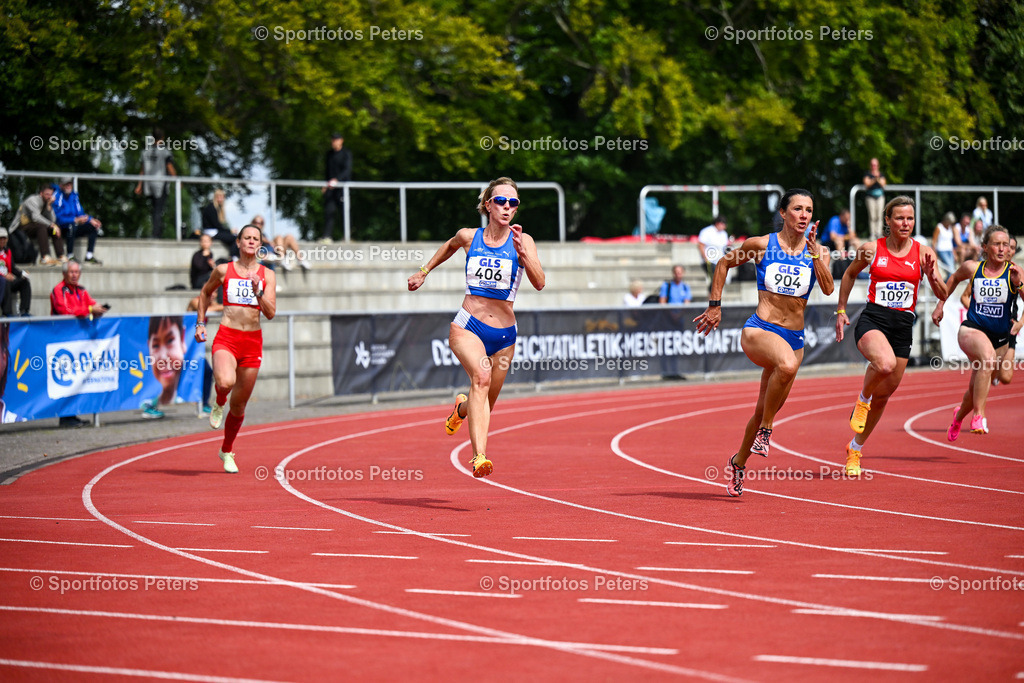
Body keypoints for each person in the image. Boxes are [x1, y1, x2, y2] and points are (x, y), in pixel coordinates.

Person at [693, 189, 834, 496]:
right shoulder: (761, 245)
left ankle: (738, 463)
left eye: (809, 210)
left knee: (761, 410)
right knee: (785, 365)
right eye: (797, 209)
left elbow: (826, 288)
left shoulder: (818, 252)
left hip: (794, 338)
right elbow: (722, 265)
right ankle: (767, 432)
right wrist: (715, 305)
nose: (804, 215)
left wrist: (813, 255)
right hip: (759, 330)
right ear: (783, 213)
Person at [407, 177, 545, 478]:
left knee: (484, 402)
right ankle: (479, 457)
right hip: (468, 325)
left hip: (505, 335)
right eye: (501, 201)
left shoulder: (524, 241)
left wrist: (524, 256)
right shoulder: (470, 236)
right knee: (480, 377)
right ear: (488, 205)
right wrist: (423, 271)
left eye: (513, 203)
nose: (507, 207)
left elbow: (539, 283)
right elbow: (450, 245)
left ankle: (460, 410)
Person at [834, 196, 948, 476]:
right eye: (899, 218)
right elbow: (849, 275)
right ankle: (862, 399)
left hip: (902, 327)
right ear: (888, 220)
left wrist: (932, 277)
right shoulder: (872, 249)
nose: (905, 223)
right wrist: (841, 309)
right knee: (883, 364)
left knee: (885, 395)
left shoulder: (923, 253)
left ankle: (854, 449)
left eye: (909, 218)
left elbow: (943, 294)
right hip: (873, 319)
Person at [194, 224, 277, 473]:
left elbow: (271, 313)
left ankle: (227, 450)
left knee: (239, 406)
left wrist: (258, 292)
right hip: (227, 336)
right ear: (239, 243)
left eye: (256, 238)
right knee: (225, 381)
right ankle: (219, 400)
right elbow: (204, 293)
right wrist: (200, 322)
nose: (251, 242)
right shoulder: (223, 270)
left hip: (252, 341)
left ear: (259, 245)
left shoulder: (268, 275)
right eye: (247, 238)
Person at [933, 225, 1022, 438]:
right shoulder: (973, 268)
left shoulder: (1014, 274)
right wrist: (940, 305)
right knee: (987, 359)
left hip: (1001, 337)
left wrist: (1019, 324)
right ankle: (979, 416)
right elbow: (953, 279)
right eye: (997, 244)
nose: (1002, 249)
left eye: (1006, 245)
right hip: (972, 330)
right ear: (985, 247)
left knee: (975, 390)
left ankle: (958, 417)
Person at [50, 260, 108, 428]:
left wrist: (98, 309)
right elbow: (64, 311)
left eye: (77, 272)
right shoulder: (58, 290)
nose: (75, 275)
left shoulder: (82, 290)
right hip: (61, 341)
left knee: (76, 377)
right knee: (64, 378)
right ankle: (65, 417)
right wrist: (90, 310)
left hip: (79, 341)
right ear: (64, 273)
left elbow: (91, 304)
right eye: (71, 272)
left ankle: (72, 415)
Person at [141, 316, 187, 419]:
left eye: (170, 341)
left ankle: (205, 405)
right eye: (156, 346)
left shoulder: (188, 395)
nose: (163, 357)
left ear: (182, 339)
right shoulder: (142, 400)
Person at [134, 128, 178, 238]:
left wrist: (140, 185)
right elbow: (169, 166)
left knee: (154, 209)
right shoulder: (165, 152)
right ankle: (156, 234)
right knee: (158, 210)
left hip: (149, 184)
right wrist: (177, 180)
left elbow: (142, 169)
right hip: (160, 183)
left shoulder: (146, 152)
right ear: (162, 138)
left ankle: (155, 232)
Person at [8, 184, 65, 266]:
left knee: (55, 228)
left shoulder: (46, 203)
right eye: (47, 194)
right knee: (42, 227)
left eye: (51, 194)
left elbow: (52, 220)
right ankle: (45, 257)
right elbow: (36, 217)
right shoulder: (32, 200)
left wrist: (49, 207)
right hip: (20, 228)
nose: (49, 197)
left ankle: (60, 255)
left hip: (35, 227)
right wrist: (51, 224)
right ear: (41, 193)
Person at [52, 177, 103, 264]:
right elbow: (58, 218)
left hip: (74, 225)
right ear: (61, 185)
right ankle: (70, 255)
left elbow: (80, 213)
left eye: (70, 184)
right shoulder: (57, 196)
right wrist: (75, 219)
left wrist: (90, 220)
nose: (68, 186)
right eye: (66, 184)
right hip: (62, 228)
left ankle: (89, 256)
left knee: (93, 226)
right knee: (72, 225)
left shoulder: (74, 196)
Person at [993, 235, 1021, 387]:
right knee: (985, 370)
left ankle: (994, 372)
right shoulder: (988, 270)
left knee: (1006, 377)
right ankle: (974, 408)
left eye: (1012, 247)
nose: (1008, 250)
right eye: (1006, 246)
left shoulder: (1017, 271)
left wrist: (1021, 323)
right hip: (989, 325)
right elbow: (966, 296)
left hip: (1010, 327)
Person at [321, 133, 352, 243]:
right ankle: (326, 236)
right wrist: (326, 184)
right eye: (333, 139)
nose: (334, 142)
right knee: (329, 211)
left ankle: (347, 236)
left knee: (344, 212)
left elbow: (347, 171)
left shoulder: (346, 153)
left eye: (336, 139)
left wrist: (337, 180)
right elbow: (327, 171)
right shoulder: (329, 154)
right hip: (331, 188)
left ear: (341, 140)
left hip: (342, 188)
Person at [0, 228, 32, 317]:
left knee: (25, 282)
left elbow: (13, 268)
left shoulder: (8, 251)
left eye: (4, 238)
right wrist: (4, 275)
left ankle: (24, 310)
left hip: (9, 279)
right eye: (0, 238)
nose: (2, 240)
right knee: (4, 281)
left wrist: (22, 274)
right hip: (2, 281)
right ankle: (7, 313)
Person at [200, 189, 238, 258]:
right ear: (215, 197)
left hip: (214, 231)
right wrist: (230, 231)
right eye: (218, 197)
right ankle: (233, 257)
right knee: (234, 238)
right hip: (211, 232)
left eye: (222, 197)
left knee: (233, 236)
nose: (220, 199)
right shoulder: (212, 208)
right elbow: (217, 225)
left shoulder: (216, 208)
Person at [697, 217, 731, 287]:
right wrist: (705, 258)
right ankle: (712, 296)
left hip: (719, 260)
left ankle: (714, 296)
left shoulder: (724, 234)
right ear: (718, 223)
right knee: (715, 279)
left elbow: (725, 247)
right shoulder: (707, 231)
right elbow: (700, 245)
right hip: (709, 260)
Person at [862, 158, 887, 240]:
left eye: (875, 165)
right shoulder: (867, 174)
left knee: (879, 216)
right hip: (870, 198)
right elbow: (867, 183)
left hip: (880, 197)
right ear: (870, 166)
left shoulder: (881, 174)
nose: (874, 166)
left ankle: (879, 233)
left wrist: (877, 179)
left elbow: (883, 184)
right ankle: (872, 234)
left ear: (878, 166)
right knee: (872, 216)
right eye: (872, 165)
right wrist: (874, 179)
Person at [932, 212, 957, 276]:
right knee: (950, 268)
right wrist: (934, 253)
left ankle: (947, 284)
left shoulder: (950, 228)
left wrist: (954, 253)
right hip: (942, 250)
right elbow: (934, 241)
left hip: (949, 250)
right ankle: (947, 284)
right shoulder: (939, 227)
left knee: (952, 269)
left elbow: (951, 241)